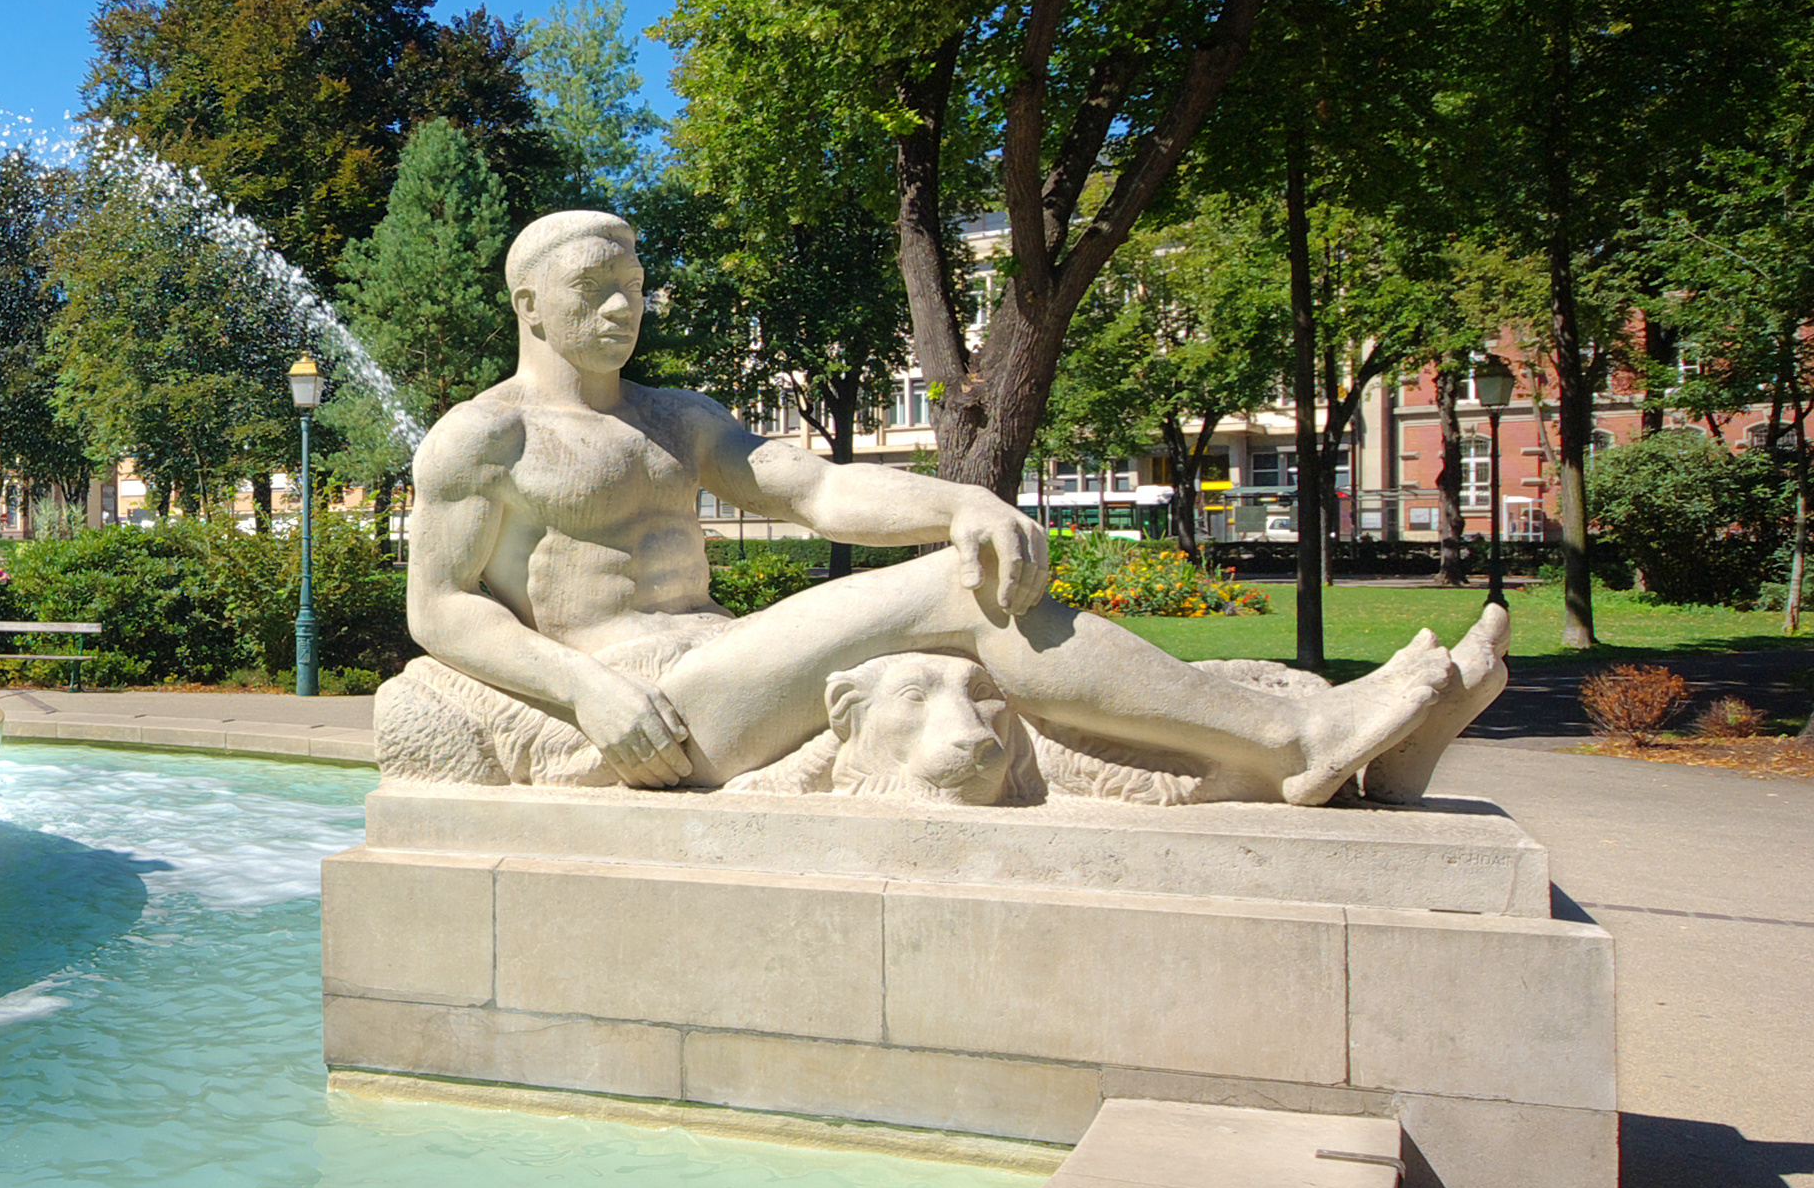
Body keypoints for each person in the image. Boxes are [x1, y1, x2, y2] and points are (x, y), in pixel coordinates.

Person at [400, 211, 1504, 803]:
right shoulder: (485, 436)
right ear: (526, 302)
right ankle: (1302, 735)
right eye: (594, 289)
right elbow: (441, 610)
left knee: (988, 612)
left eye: (634, 289)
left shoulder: (675, 415)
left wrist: (956, 500)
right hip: (651, 711)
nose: (621, 307)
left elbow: (817, 486)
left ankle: (1344, 758)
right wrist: (587, 693)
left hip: (719, 665)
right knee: (966, 596)